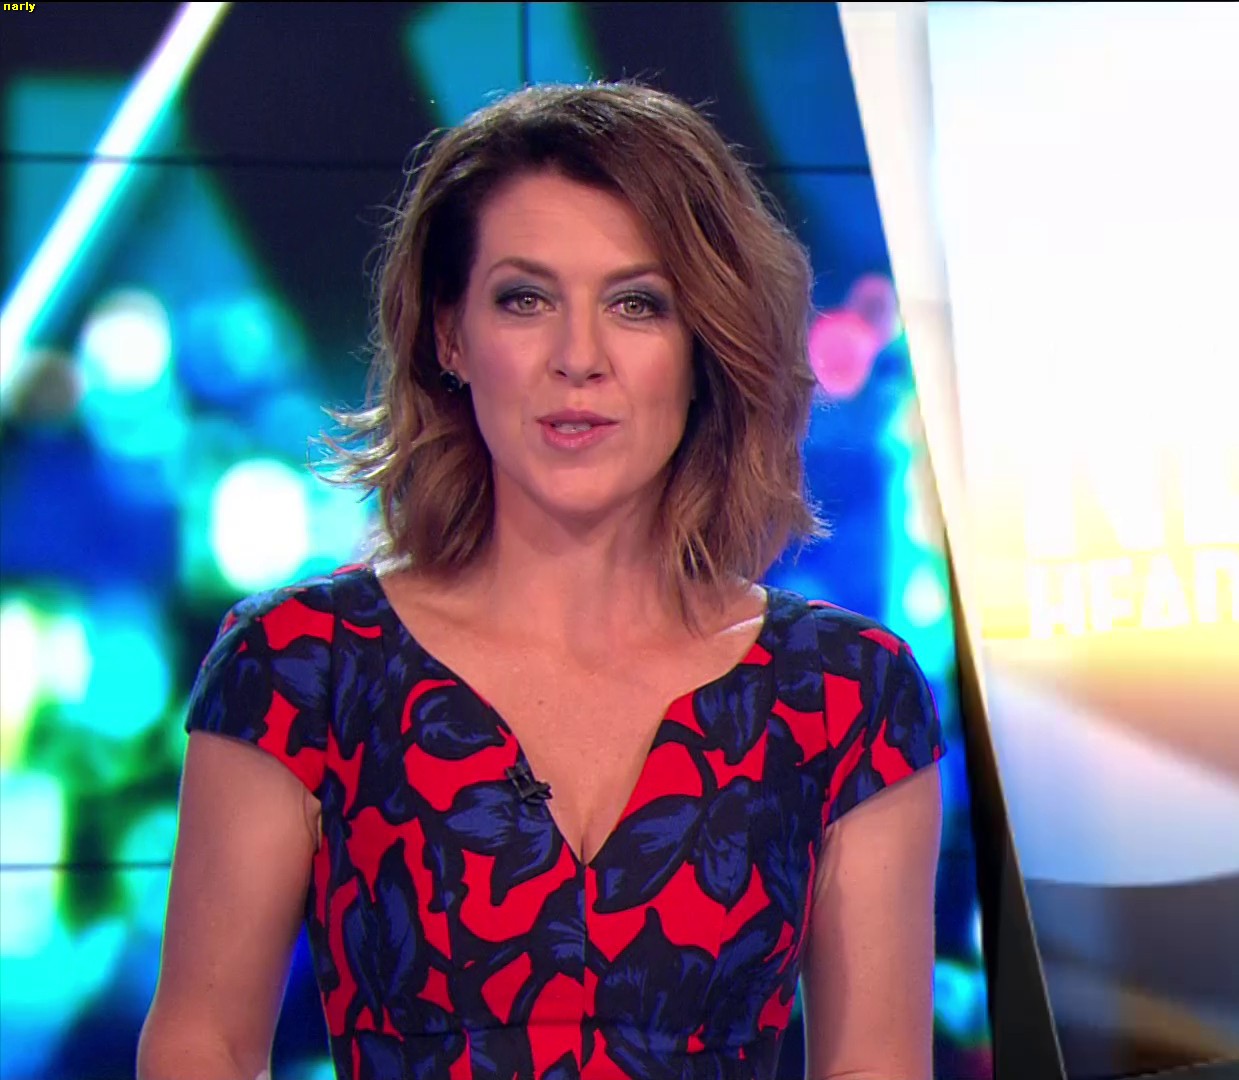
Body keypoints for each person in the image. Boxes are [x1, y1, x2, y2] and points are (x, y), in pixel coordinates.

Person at [137, 82, 945, 1080]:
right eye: (525, 300)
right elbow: (204, 1047)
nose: (579, 359)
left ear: (703, 344)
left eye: (637, 304)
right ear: (450, 335)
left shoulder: (843, 693)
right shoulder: (303, 669)